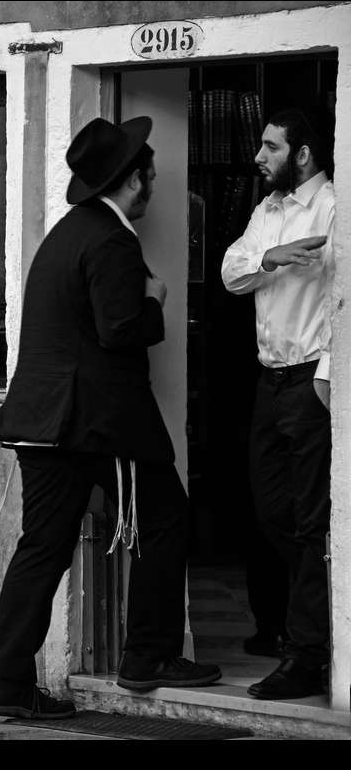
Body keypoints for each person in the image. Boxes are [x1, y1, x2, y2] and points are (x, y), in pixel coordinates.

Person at [0, 117, 221, 721]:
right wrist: (155, 303)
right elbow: (120, 331)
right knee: (166, 519)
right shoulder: (111, 240)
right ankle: (146, 658)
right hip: (94, 423)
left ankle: (6, 682)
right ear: (133, 180)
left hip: (45, 422)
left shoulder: (66, 234)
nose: (154, 186)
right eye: (151, 176)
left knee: (42, 548)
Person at [221, 108, 335, 700]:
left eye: (271, 146)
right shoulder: (267, 211)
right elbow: (230, 272)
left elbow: (345, 300)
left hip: (311, 381)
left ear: (303, 154)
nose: (258, 156)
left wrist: (327, 377)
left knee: (313, 521)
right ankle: (319, 625)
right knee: (272, 513)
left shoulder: (334, 208)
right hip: (269, 383)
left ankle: (308, 652)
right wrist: (272, 256)